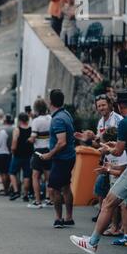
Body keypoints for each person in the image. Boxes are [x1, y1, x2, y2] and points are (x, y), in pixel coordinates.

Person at [71, 91, 127, 254]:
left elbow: (118, 152)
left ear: (120, 106)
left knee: (108, 203)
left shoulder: (125, 123)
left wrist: (108, 148)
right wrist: (114, 144)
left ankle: (92, 242)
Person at [75, 94, 123, 222]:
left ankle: (115, 225)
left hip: (118, 161)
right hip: (106, 161)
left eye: (103, 105)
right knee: (101, 189)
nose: (101, 108)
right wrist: (89, 140)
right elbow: (99, 143)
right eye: (99, 106)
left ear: (110, 105)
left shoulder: (117, 119)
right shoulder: (101, 121)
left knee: (114, 194)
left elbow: (117, 141)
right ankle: (104, 216)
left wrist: (97, 141)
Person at [40, 89, 76, 228]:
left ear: (50, 102)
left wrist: (50, 154)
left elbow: (62, 141)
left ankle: (58, 218)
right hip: (69, 156)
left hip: (62, 158)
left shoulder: (57, 119)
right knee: (66, 186)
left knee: (53, 189)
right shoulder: (66, 114)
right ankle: (69, 217)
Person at [28, 98, 52, 208]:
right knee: (48, 176)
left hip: (38, 151)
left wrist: (29, 140)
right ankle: (49, 198)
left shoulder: (36, 121)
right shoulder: (50, 118)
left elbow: (33, 137)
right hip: (49, 149)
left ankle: (38, 201)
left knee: (35, 176)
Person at [9, 113, 33, 202]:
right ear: (27, 120)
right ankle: (25, 194)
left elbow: (14, 143)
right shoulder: (31, 130)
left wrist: (12, 151)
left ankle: (16, 191)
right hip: (29, 155)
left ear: (19, 120)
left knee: (12, 172)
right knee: (27, 175)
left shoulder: (17, 130)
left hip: (18, 155)